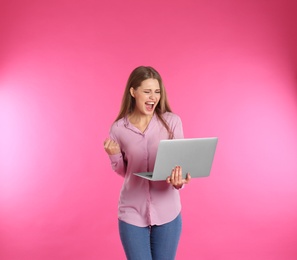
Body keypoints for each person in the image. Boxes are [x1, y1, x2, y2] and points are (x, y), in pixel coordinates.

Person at [104, 66, 191, 260]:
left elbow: (180, 165)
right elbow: (123, 171)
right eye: (147, 91)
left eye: (157, 91)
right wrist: (114, 155)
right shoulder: (119, 128)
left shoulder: (172, 122)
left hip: (167, 210)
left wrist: (179, 181)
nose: (153, 97)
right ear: (133, 92)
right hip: (132, 211)